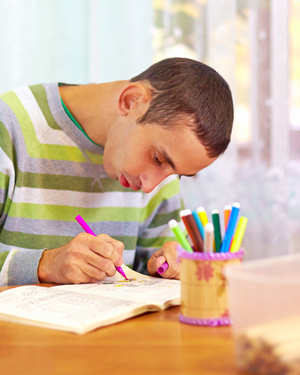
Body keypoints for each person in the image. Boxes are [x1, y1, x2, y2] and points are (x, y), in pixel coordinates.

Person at [0, 57, 233, 286]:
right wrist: (45, 264)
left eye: (177, 174)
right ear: (131, 101)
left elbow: (154, 277)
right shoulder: (9, 125)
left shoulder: (164, 167)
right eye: (157, 158)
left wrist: (171, 266)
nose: (151, 186)